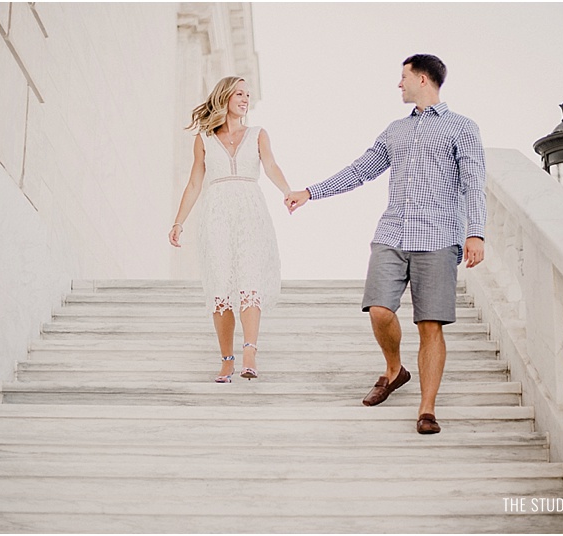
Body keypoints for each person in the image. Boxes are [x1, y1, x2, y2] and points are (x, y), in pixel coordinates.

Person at [285, 54, 486, 434]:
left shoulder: (462, 128)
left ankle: (427, 409)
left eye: (404, 77)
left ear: (423, 79)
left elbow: (473, 182)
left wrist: (475, 231)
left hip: (439, 237)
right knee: (379, 310)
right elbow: (361, 170)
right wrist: (311, 192)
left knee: (430, 324)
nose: (399, 84)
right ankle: (395, 370)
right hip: (392, 234)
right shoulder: (395, 130)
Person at [169, 76, 292, 383]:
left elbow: (272, 166)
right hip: (216, 214)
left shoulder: (258, 134)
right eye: (239, 93)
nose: (245, 99)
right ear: (224, 96)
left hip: (250, 211)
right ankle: (226, 360)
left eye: (248, 95)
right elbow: (195, 182)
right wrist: (179, 221)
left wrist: (287, 191)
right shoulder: (204, 139)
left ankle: (250, 350)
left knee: (250, 278)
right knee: (220, 284)